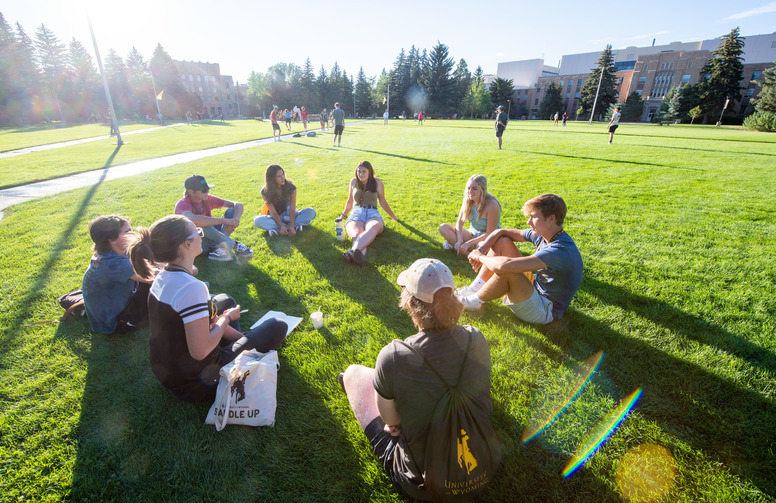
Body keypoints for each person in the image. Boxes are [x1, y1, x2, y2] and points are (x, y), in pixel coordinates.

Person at [340, 258, 498, 501]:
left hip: (423, 480)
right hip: (483, 466)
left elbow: (391, 423)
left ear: (411, 304)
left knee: (354, 374)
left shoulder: (394, 356)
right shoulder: (475, 338)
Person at [128, 215, 287, 402]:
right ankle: (244, 347)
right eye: (198, 232)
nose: (201, 237)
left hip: (170, 374)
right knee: (278, 325)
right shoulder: (191, 288)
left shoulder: (161, 277)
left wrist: (220, 322)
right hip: (198, 383)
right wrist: (225, 320)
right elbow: (200, 351)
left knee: (225, 300)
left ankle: (241, 343)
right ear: (186, 244)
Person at [457, 194, 583, 325]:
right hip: (535, 287)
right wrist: (482, 249)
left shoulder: (559, 251)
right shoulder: (546, 235)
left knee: (509, 270)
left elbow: (504, 266)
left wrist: (479, 257)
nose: (528, 222)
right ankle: (474, 288)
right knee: (502, 241)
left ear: (551, 218)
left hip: (545, 310)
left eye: (533, 217)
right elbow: (501, 232)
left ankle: (471, 302)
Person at [82, 215, 154, 334]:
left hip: (108, 309)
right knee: (158, 292)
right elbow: (154, 278)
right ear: (111, 239)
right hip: (112, 322)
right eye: (127, 231)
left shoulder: (110, 253)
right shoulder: (114, 263)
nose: (133, 234)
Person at [174, 174, 254, 262]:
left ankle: (217, 249)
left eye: (208, 189)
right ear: (191, 192)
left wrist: (235, 220)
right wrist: (225, 221)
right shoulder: (182, 205)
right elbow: (193, 220)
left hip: (211, 235)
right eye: (204, 190)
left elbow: (238, 205)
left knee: (232, 210)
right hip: (197, 244)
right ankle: (234, 245)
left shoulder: (207, 198)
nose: (207, 192)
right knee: (200, 225)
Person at [339, 161, 397, 265]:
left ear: (370, 172)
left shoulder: (377, 182)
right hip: (357, 213)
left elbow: (382, 201)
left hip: (372, 213)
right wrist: (344, 214)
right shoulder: (354, 181)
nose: (360, 174)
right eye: (358, 171)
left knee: (374, 227)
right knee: (357, 235)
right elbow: (350, 200)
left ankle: (351, 252)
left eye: (364, 171)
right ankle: (356, 256)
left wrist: (393, 216)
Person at [439, 175, 501, 256]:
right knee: (443, 227)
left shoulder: (492, 205)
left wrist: (468, 243)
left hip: (487, 238)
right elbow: (460, 223)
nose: (470, 192)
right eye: (468, 188)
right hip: (472, 234)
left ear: (482, 189)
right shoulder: (467, 200)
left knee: (482, 245)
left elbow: (490, 233)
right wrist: (460, 240)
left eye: (474, 189)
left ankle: (466, 250)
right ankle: (469, 255)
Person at [253, 164, 317, 236]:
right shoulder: (265, 192)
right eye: (279, 176)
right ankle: (291, 227)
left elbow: (292, 209)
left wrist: (292, 225)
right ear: (272, 178)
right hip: (276, 217)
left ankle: (280, 230)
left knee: (311, 212)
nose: (282, 178)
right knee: (257, 221)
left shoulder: (291, 188)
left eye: (283, 174)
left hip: (289, 215)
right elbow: (273, 212)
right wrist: (281, 226)